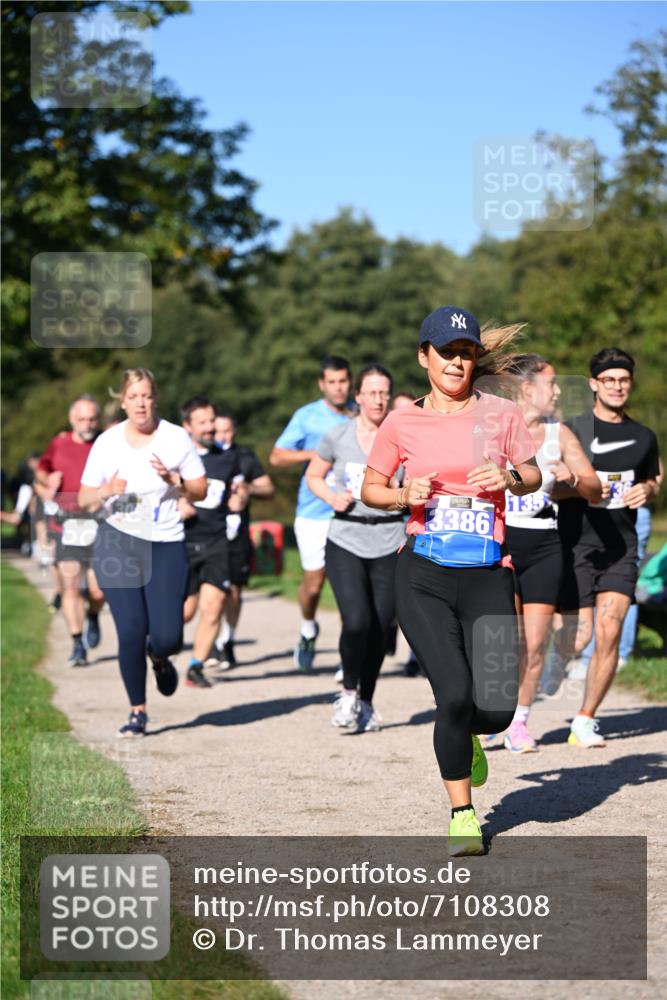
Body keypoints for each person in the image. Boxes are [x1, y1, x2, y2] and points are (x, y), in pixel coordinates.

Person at [361, 306, 541, 855]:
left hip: (488, 572)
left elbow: (533, 475)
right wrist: (402, 495)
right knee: (455, 694)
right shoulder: (401, 422)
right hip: (424, 574)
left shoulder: (502, 415)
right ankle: (463, 815)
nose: (457, 362)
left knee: (498, 710)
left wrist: (509, 477)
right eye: (447, 352)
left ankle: (469, 735)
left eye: (466, 353)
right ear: (425, 357)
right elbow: (371, 488)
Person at [78, 369, 207, 737]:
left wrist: (174, 481)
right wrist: (105, 490)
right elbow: (84, 498)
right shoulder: (107, 442)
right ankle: (138, 711)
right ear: (122, 401)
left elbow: (200, 489)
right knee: (131, 630)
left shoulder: (175, 438)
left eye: (147, 396)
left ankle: (160, 657)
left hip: (165, 542)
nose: (140, 404)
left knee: (168, 636)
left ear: (155, 399)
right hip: (117, 542)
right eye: (133, 397)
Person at [553, 347, 660, 747]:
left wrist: (646, 490)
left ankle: (585, 719)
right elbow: (551, 491)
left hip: (621, 546)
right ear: (594, 384)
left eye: (624, 380)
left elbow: (653, 480)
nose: (617, 386)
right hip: (576, 544)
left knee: (610, 630)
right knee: (576, 640)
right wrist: (579, 484)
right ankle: (541, 673)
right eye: (609, 380)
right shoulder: (572, 431)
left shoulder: (643, 437)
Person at [502, 354, 601, 752]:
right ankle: (489, 712)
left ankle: (519, 723)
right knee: (503, 640)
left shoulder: (560, 435)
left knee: (535, 642)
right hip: (500, 543)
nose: (558, 391)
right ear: (527, 389)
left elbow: (595, 489)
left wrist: (573, 478)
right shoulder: (494, 431)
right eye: (551, 384)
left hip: (544, 546)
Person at [306, 364, 406, 732]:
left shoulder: (402, 438)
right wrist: (331, 497)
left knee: (380, 627)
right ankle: (348, 692)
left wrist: (401, 493)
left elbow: (417, 483)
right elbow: (313, 476)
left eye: (384, 393)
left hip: (390, 539)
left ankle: (366, 701)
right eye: (372, 392)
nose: (378, 399)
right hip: (346, 538)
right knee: (357, 621)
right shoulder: (338, 436)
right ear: (358, 396)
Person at [270, 356, 352, 671]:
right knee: (314, 583)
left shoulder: (360, 414)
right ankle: (307, 628)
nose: (338, 387)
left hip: (351, 512)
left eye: (343, 381)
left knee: (349, 588)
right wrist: (318, 454)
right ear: (322, 384)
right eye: (332, 382)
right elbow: (277, 457)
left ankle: (349, 659)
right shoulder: (307, 416)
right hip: (313, 511)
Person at [178, 398, 248, 687]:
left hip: (217, 540)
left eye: (212, 421)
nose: (210, 428)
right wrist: (178, 502)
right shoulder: (176, 456)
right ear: (187, 426)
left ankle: (196, 666)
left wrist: (240, 499)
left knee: (215, 604)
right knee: (185, 611)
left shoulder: (228, 457)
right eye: (203, 423)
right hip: (182, 540)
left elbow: (239, 489)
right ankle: (159, 647)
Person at [36, 396, 105, 666]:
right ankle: (77, 644)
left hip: (100, 521)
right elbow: (41, 471)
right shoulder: (59, 443)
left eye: (92, 419)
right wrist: (47, 481)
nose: (87, 424)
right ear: (72, 419)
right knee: (71, 585)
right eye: (82, 419)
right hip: (68, 523)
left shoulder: (106, 443)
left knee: (99, 590)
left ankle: (94, 615)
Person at [212, 411, 275, 668]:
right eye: (217, 431)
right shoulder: (200, 457)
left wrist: (250, 488)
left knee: (234, 591)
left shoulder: (244, 457)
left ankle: (227, 640)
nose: (222, 436)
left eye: (227, 431)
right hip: (207, 532)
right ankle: (210, 639)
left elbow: (269, 488)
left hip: (237, 532)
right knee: (210, 591)